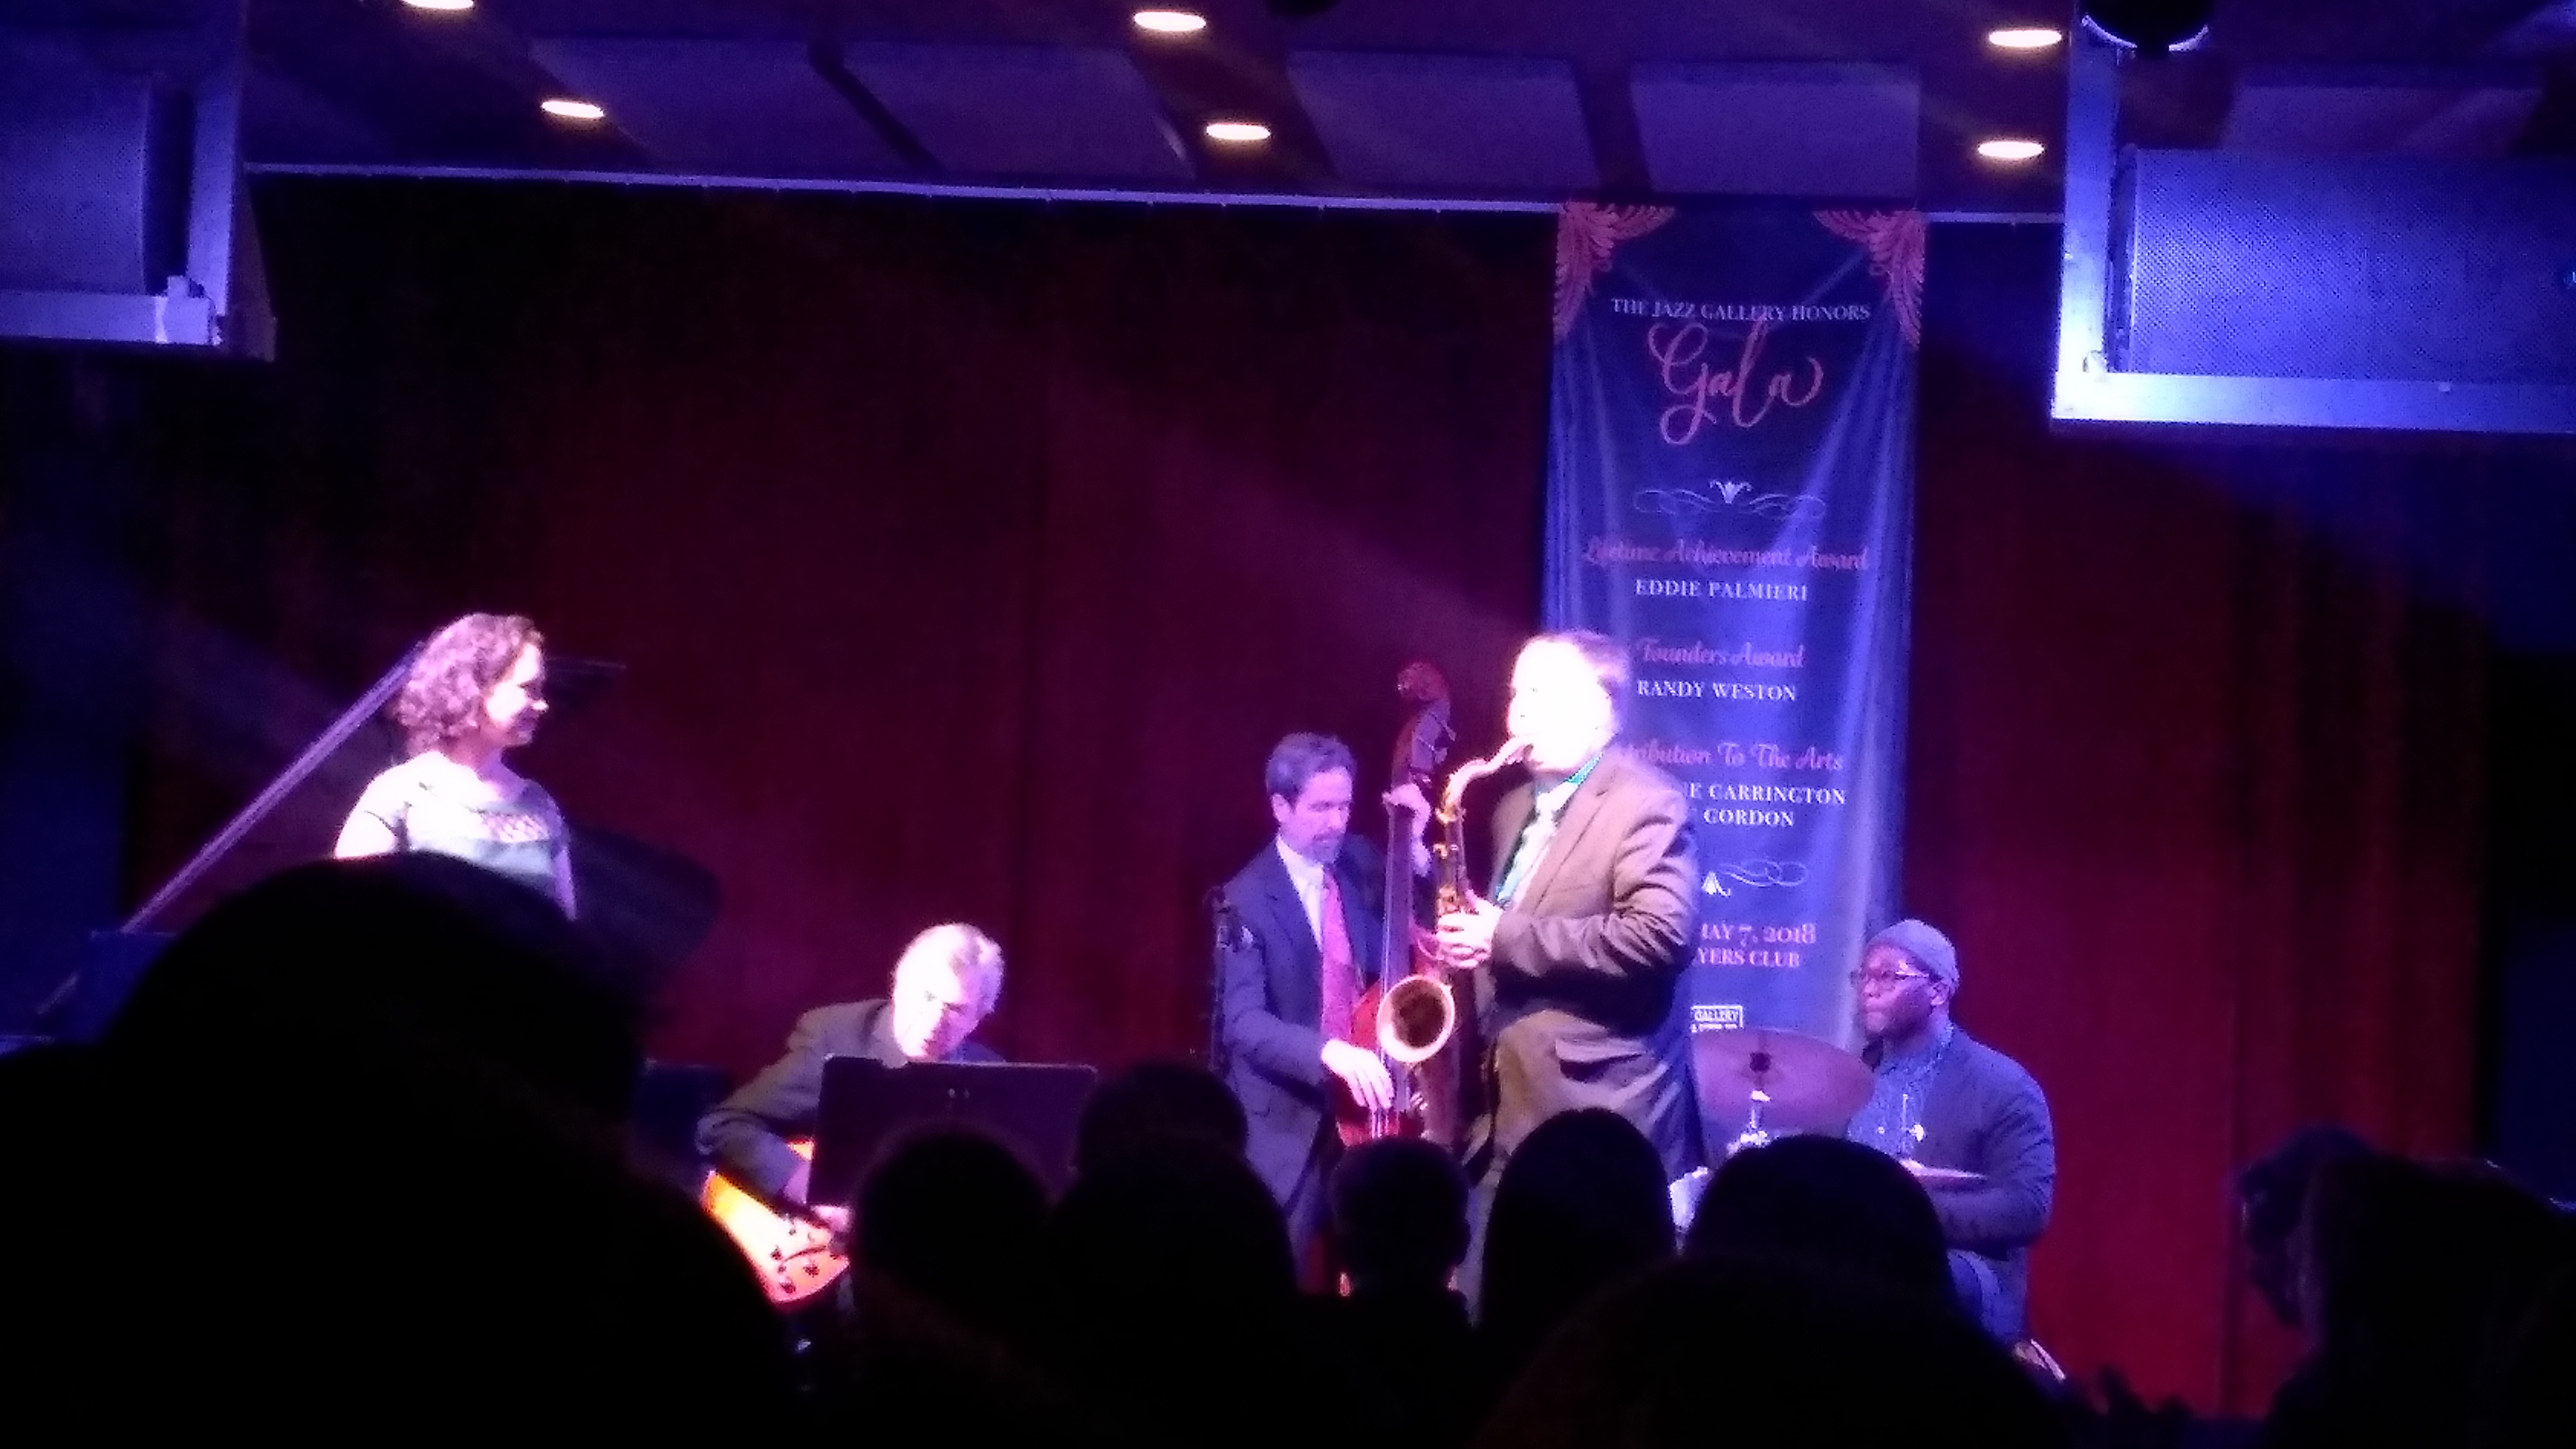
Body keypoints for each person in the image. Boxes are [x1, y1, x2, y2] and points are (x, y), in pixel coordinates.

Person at [1430, 631, 1700, 1234]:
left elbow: (1661, 936)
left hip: (1598, 1121)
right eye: (1515, 694)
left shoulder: (1647, 801)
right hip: (1504, 1116)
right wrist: (1469, 943)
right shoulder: (1510, 809)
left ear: (1600, 709)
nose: (1517, 714)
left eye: (1539, 694)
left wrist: (1504, 937)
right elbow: (1516, 937)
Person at [1214, 731, 1430, 1277]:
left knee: (1387, 1275)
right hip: (1291, 1120)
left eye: (1344, 806)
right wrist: (1330, 1052)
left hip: (1374, 1107)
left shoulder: (1364, 861)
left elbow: (1423, 933)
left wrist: (1416, 849)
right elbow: (1243, 1023)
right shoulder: (1242, 898)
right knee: (1274, 1279)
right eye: (1321, 808)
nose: (1337, 822)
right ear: (1280, 807)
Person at [696, 922, 1005, 1233]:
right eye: (927, 996)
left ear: (977, 1019)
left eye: (956, 1009)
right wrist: (815, 1191)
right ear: (899, 985)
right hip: (813, 1240)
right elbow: (725, 1124)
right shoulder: (836, 1037)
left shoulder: (989, 1079)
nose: (935, 1020)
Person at [1842, 918, 2056, 1342]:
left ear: (1938, 991)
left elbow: (2028, 1206)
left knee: (1890, 1270)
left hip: (1962, 1267)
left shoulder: (2002, 1086)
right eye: (1863, 975)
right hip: (1859, 1256)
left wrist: (1907, 1213)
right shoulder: (1848, 1078)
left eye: (1888, 976)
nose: (1869, 988)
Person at [334, 612, 577, 917]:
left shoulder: (540, 808)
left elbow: (564, 929)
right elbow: (349, 917)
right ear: (475, 687)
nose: (542, 704)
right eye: (528, 688)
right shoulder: (400, 793)